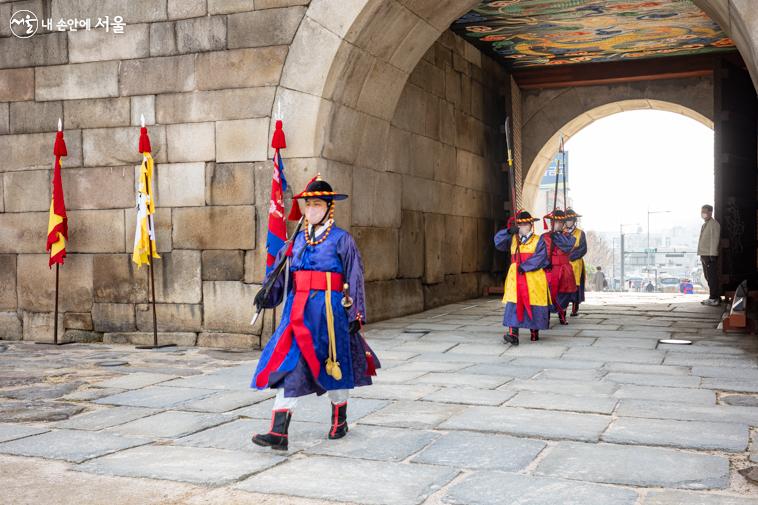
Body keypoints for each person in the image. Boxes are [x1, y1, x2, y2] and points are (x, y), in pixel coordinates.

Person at [250, 175, 380, 450]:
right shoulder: (296, 240)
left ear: (329, 207)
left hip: (328, 313)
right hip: (296, 311)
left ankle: (339, 418)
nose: (311, 209)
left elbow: (355, 277)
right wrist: (267, 295)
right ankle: (279, 432)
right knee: (289, 365)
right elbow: (283, 275)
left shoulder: (342, 240)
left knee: (332, 366)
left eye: (317, 204)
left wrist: (356, 314)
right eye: (308, 204)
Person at [494, 210, 551, 345]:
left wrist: (524, 267)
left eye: (525, 224)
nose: (522, 227)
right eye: (519, 225)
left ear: (531, 225)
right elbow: (498, 242)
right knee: (513, 302)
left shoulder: (539, 240)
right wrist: (508, 232)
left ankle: (534, 331)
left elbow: (541, 257)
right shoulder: (513, 239)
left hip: (534, 277)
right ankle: (513, 334)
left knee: (534, 302)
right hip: (515, 277)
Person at [541, 209, 577, 325]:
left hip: (564, 269)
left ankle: (562, 315)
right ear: (551, 223)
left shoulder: (569, 237)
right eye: (556, 222)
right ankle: (545, 318)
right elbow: (539, 253)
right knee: (547, 293)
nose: (559, 224)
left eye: (561, 222)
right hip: (549, 269)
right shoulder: (543, 237)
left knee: (564, 294)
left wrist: (556, 236)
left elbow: (567, 247)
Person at [563, 208, 587, 316]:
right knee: (563, 286)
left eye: (571, 220)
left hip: (576, 263)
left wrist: (571, 256)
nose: (569, 222)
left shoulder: (580, 233)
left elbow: (583, 248)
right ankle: (562, 308)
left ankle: (574, 307)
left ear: (574, 220)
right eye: (567, 220)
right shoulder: (561, 232)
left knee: (576, 286)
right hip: (563, 263)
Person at [698, 204, 721, 306]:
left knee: (712, 277)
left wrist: (713, 254)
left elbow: (714, 240)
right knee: (708, 277)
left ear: (710, 212)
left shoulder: (714, 224)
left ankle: (714, 298)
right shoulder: (705, 224)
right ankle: (714, 296)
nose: (703, 214)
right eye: (702, 212)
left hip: (709, 255)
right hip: (704, 254)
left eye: (705, 212)